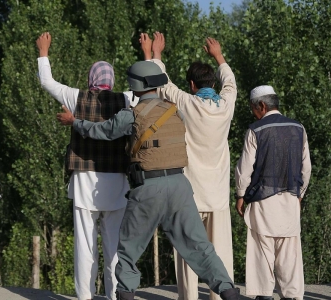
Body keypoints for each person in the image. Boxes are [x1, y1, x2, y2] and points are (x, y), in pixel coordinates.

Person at [57, 59, 240, 300]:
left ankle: (125, 295)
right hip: (180, 187)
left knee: (128, 252)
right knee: (200, 248)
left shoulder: (131, 115)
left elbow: (103, 131)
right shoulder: (176, 111)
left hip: (148, 188)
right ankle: (229, 292)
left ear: (135, 85)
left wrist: (75, 122)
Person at [36, 32, 135, 300]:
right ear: (111, 80)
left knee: (84, 246)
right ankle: (115, 296)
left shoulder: (75, 98)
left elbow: (46, 81)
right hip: (116, 183)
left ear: (91, 79)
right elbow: (152, 88)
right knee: (114, 246)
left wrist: (43, 52)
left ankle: (84, 297)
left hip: (83, 182)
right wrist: (150, 56)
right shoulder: (126, 100)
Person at [141, 32, 237, 300]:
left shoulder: (188, 104)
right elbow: (230, 82)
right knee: (220, 254)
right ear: (211, 83)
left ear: (193, 85)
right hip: (217, 193)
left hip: (191, 193)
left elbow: (164, 86)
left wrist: (156, 53)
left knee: (188, 254)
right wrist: (218, 56)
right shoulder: (226, 106)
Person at [235, 85, 311, 300]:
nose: (253, 113)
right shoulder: (298, 128)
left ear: (261, 105)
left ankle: (264, 295)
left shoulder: (256, 130)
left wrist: (240, 195)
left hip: (262, 201)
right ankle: (292, 295)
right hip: (290, 200)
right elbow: (306, 167)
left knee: (262, 253)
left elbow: (245, 168)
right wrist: (300, 194)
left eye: (253, 108)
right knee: (289, 255)